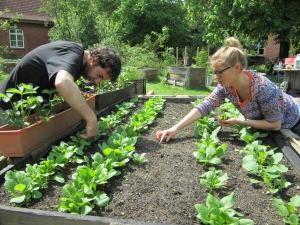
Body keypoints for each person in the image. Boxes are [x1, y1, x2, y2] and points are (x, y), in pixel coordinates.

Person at [156, 37, 300, 143]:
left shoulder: (263, 88)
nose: (216, 76)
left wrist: (241, 121)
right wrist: (175, 128)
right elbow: (205, 106)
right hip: (270, 126)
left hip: (294, 122)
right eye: (214, 72)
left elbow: (275, 124)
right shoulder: (226, 86)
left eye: (219, 72)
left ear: (236, 68)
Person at [0, 40, 121, 139]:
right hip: (6, 110)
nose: (97, 81)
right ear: (94, 60)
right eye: (100, 75)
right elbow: (62, 82)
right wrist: (91, 118)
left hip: (25, 112)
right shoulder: (73, 53)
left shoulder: (78, 62)